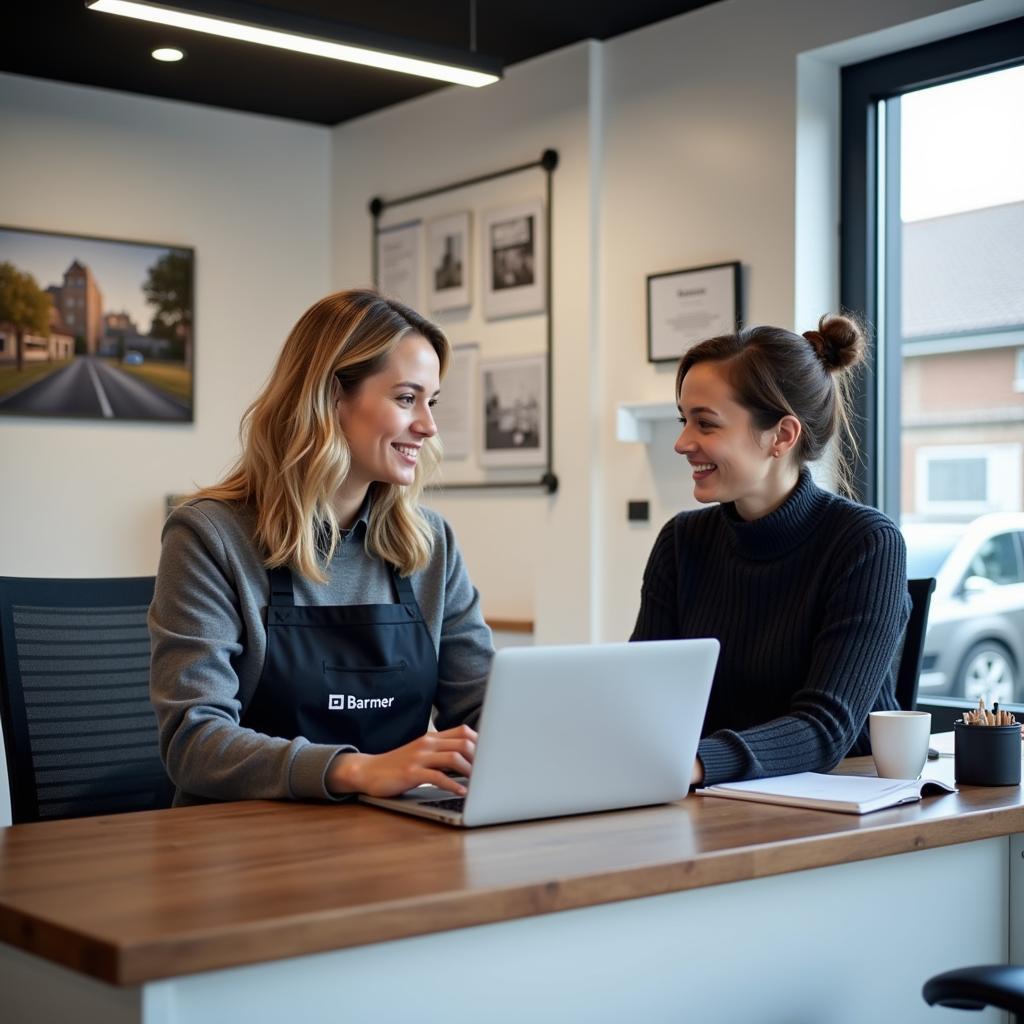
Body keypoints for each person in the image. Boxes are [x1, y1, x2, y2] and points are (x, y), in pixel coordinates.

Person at [149, 290, 492, 806]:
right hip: (238, 852)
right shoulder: (208, 537)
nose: (429, 425)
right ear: (331, 398)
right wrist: (357, 770)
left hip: (395, 841)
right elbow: (194, 742)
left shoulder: (431, 544)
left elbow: (482, 708)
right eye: (406, 398)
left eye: (431, 401)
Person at [631, 313, 909, 787]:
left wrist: (692, 763)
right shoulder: (681, 542)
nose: (682, 442)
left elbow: (826, 727)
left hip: (840, 810)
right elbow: (642, 695)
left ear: (782, 435)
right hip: (708, 795)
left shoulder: (866, 543)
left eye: (705, 424)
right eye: (684, 420)